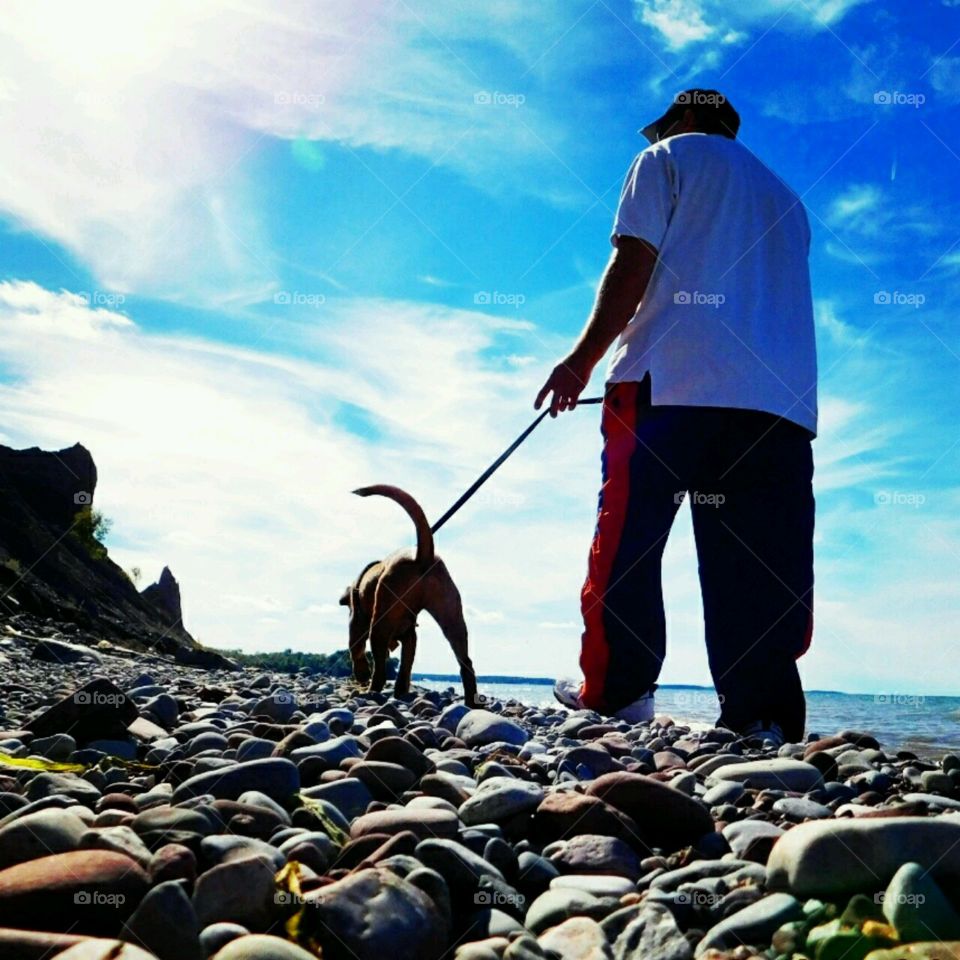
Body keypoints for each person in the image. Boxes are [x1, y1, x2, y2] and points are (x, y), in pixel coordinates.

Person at [537, 89, 817, 746]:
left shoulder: (667, 158)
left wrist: (580, 361)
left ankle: (619, 695)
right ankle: (763, 718)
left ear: (687, 119)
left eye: (661, 126)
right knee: (761, 564)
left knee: (629, 545)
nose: (655, 136)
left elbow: (632, 260)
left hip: (666, 386)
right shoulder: (788, 198)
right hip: (777, 406)